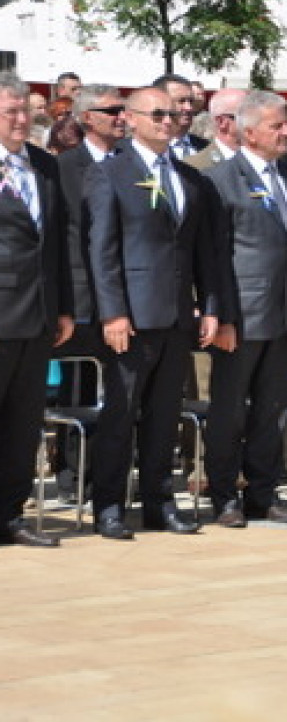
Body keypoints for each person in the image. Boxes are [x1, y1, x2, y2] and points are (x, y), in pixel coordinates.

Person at [85, 86, 223, 540]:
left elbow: (203, 252)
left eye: (173, 113)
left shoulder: (188, 177)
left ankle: (159, 503)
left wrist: (210, 307)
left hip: (178, 315)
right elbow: (102, 251)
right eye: (157, 114)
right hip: (132, 317)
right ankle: (108, 504)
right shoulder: (111, 173)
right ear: (132, 118)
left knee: (165, 416)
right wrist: (113, 313)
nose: (169, 120)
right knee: (121, 415)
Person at [202, 91, 287, 527]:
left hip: (282, 317)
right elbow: (214, 256)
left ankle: (263, 493)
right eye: (276, 126)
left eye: (286, 124)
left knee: (272, 410)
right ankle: (225, 496)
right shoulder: (222, 179)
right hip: (240, 317)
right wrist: (221, 315)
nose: (286, 132)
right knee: (228, 412)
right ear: (249, 132)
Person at [0, 72, 74, 547]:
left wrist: (63, 307)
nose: (23, 120)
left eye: (27, 111)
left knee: (24, 424)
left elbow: (58, 246)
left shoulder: (45, 168)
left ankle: (10, 514)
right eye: (11, 112)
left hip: (38, 317)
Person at [52, 84, 126, 500]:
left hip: (128, 303)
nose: (120, 115)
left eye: (122, 108)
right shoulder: (63, 169)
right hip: (84, 300)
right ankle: (73, 477)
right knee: (79, 391)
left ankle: (109, 477)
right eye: (110, 110)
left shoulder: (132, 165)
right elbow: (67, 239)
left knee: (118, 396)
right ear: (86, 118)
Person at [185, 88, 246, 171]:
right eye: (246, 116)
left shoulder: (261, 161)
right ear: (222, 122)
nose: (254, 122)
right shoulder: (193, 167)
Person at [152, 73, 208, 158]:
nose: (189, 108)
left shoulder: (206, 148)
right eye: (181, 101)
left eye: (191, 101)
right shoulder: (144, 148)